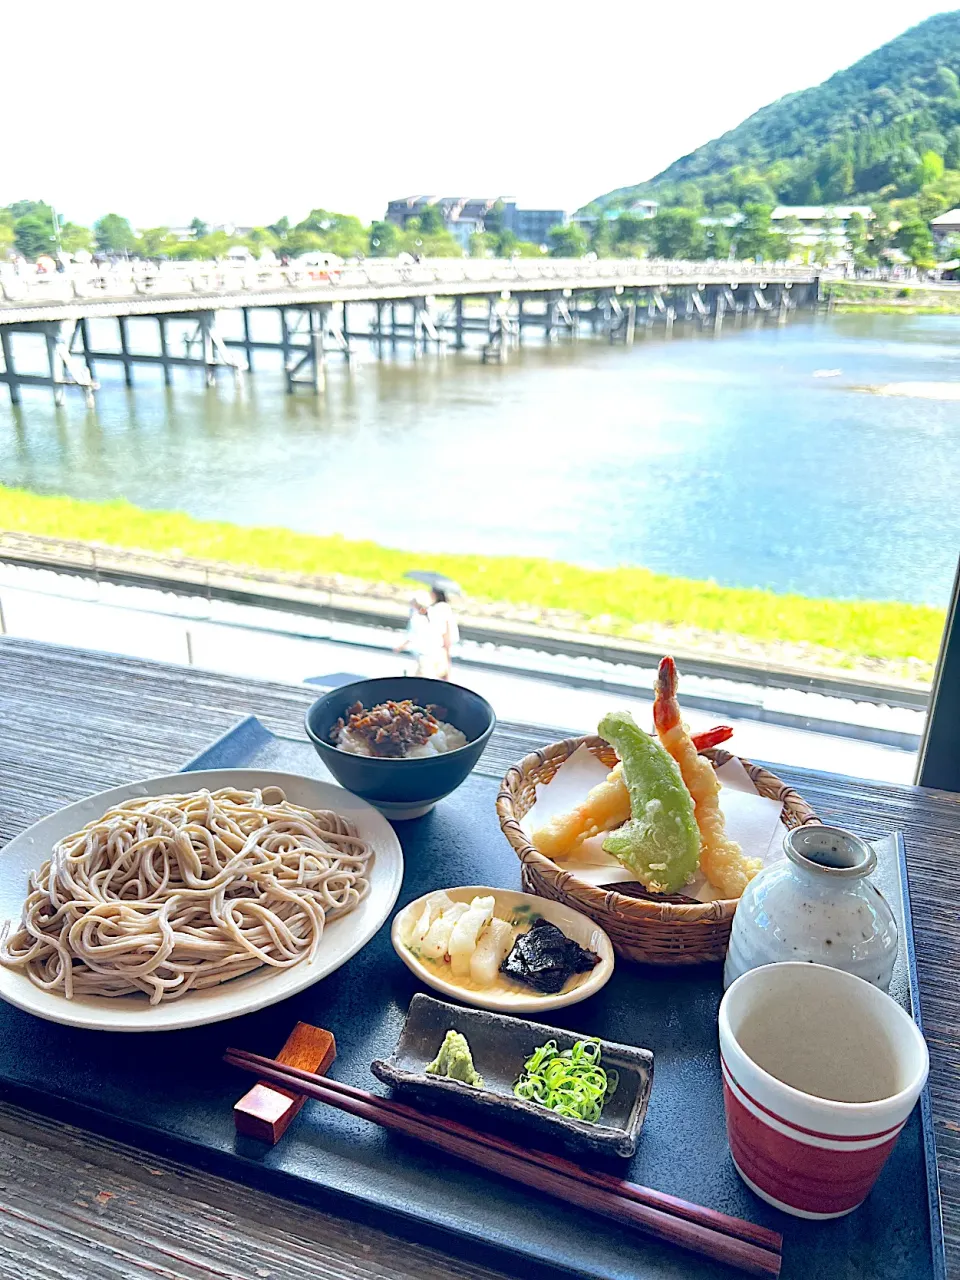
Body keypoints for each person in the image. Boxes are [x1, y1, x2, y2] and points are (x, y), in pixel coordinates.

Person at [395, 591, 446, 678]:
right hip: (434, 652)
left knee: (422, 676)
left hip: (424, 653)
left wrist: (401, 646)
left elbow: (412, 635)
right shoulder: (433, 614)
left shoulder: (417, 618)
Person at [428, 586, 459, 681]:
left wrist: (446, 645)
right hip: (437, 645)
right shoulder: (439, 607)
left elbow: (445, 628)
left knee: (438, 672)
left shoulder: (441, 608)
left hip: (439, 645)